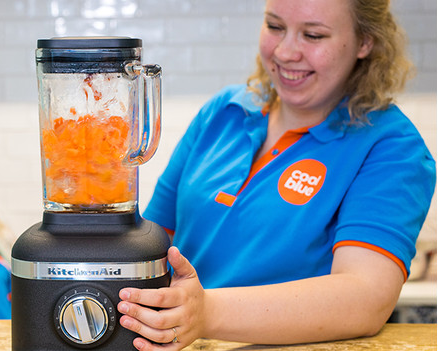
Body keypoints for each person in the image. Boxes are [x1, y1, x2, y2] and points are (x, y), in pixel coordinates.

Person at [117, 0, 436, 350]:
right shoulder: (224, 112)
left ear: (365, 42)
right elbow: (150, 240)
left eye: (313, 35)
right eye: (275, 26)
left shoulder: (390, 146)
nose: (285, 52)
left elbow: (365, 299)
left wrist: (205, 312)